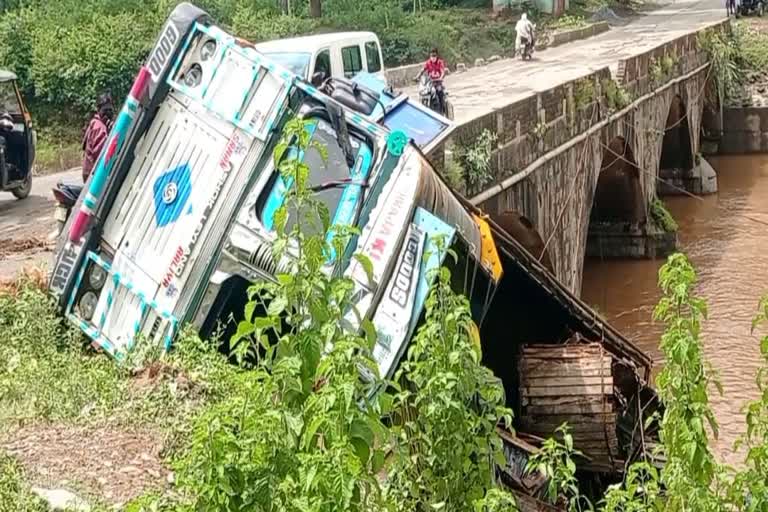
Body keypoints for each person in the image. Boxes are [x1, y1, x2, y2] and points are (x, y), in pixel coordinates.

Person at [82, 93, 114, 183]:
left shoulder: (95, 122)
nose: (108, 113)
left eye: (110, 110)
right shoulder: (99, 127)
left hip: (89, 173)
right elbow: (101, 155)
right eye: (105, 110)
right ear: (98, 110)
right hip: (93, 176)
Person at [416, 48, 447, 115]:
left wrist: (441, 77)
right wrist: (417, 77)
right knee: (423, 92)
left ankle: (441, 110)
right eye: (431, 56)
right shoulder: (428, 63)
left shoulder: (440, 62)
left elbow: (442, 71)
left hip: (438, 82)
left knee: (439, 91)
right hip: (430, 83)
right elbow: (422, 70)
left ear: (436, 56)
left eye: (434, 56)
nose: (433, 58)